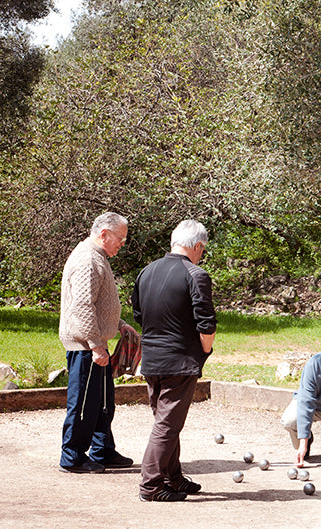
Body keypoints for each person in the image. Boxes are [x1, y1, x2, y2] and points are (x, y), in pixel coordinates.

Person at [132, 219, 217, 502]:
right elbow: (206, 324)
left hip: (152, 359)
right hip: (179, 362)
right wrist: (204, 351)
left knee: (166, 421)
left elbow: (139, 316)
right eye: (202, 249)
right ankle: (151, 486)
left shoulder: (146, 271)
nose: (201, 254)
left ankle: (174, 478)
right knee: (167, 425)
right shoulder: (196, 274)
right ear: (197, 246)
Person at [58, 212, 138, 474]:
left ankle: (102, 450)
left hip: (94, 344)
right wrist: (95, 345)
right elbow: (82, 306)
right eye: (120, 239)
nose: (122, 244)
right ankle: (72, 458)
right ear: (104, 234)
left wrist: (119, 324)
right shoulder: (88, 259)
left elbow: (99, 302)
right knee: (83, 404)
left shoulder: (97, 257)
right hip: (85, 347)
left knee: (103, 402)